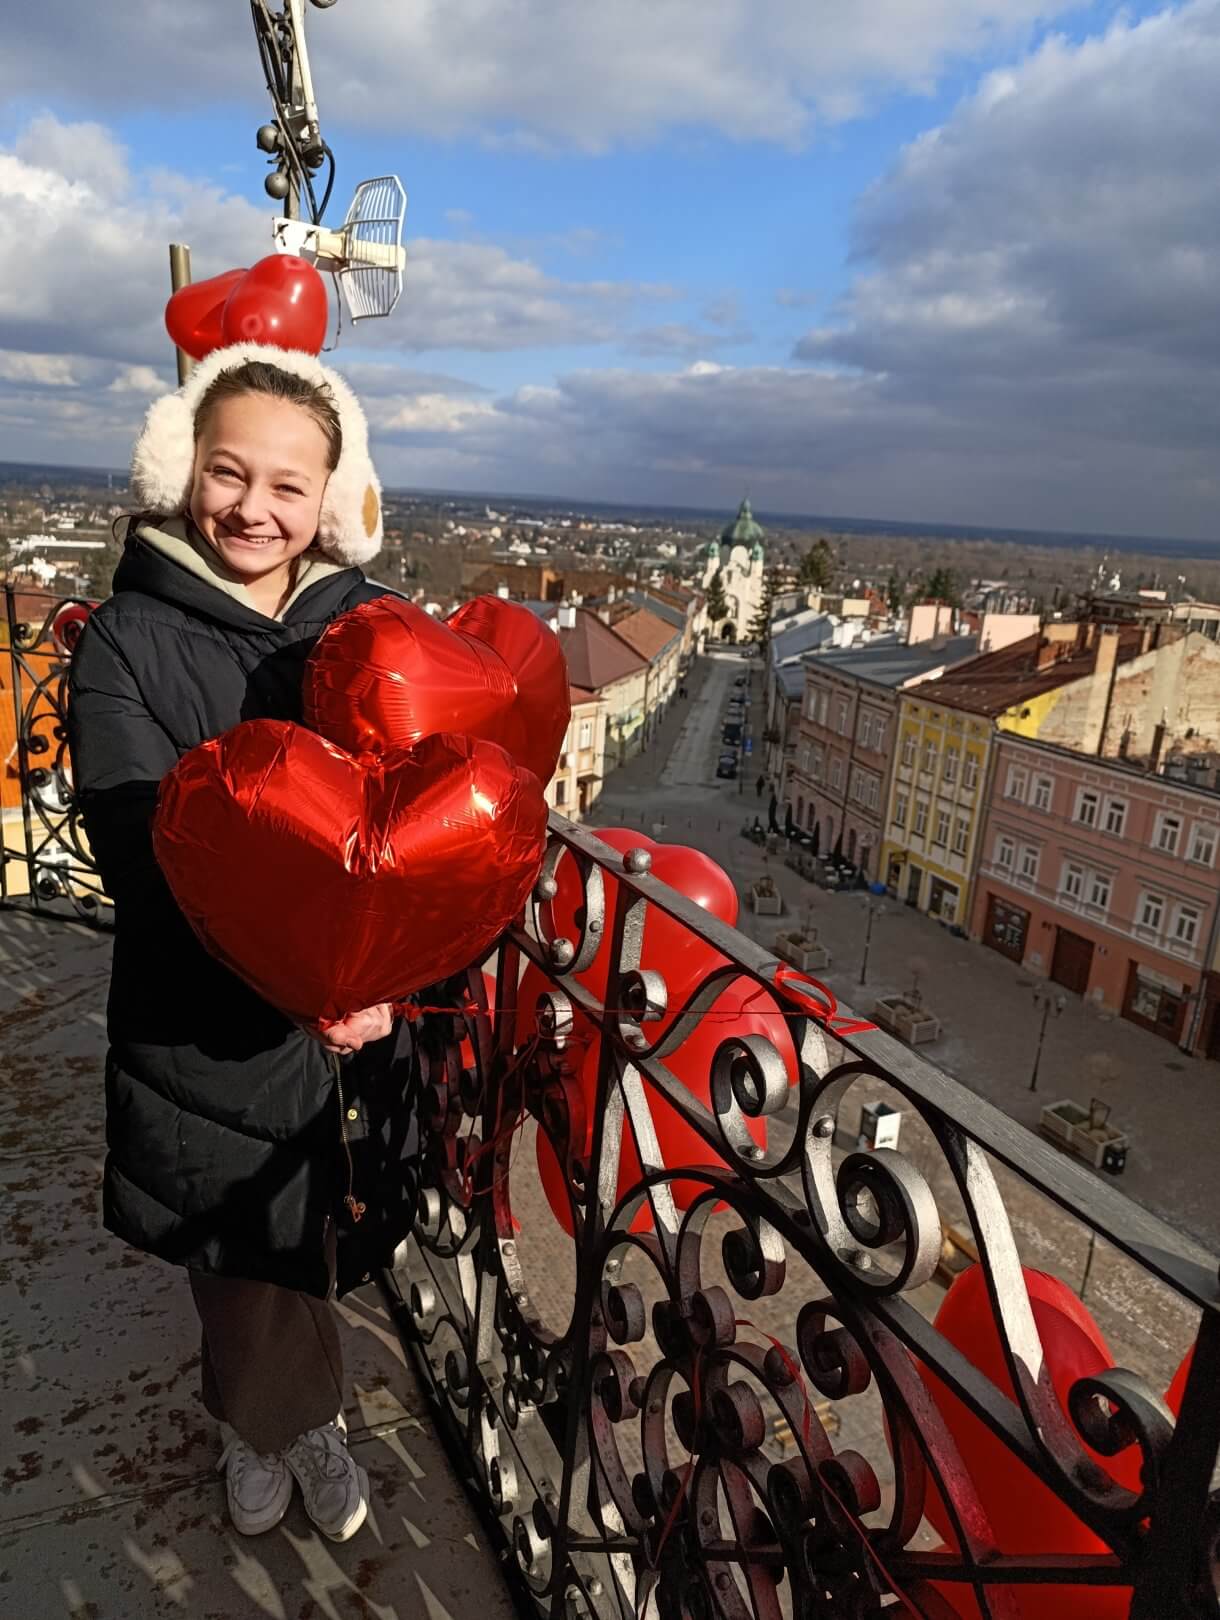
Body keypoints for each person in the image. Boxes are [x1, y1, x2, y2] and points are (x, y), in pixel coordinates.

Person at [68, 345, 418, 1544]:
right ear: (183, 472)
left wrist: (392, 980)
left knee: (315, 1234)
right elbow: (135, 834)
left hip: (354, 1027)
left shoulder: (367, 630)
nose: (255, 508)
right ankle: (268, 1427)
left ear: (332, 500)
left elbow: (430, 825)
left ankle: (281, 1412)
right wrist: (300, 968)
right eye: (229, 473)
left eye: (288, 484)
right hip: (204, 1015)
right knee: (233, 1255)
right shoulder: (124, 637)